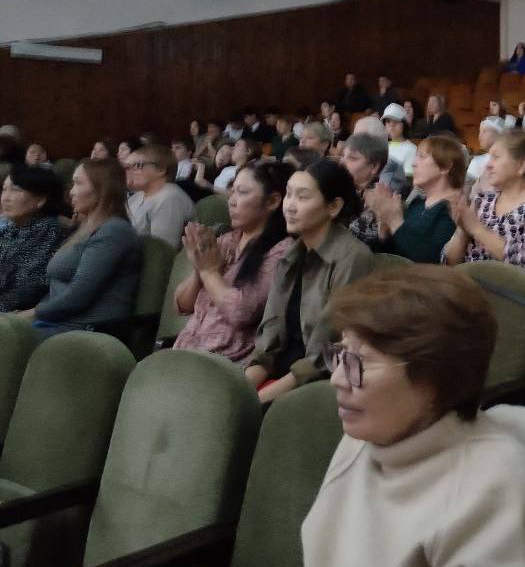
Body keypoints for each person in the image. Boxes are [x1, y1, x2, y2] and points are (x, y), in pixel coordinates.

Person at [277, 267, 525, 567]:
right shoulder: (364, 440)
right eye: (340, 354)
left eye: (359, 363)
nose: (337, 379)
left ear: (434, 380)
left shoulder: (497, 487)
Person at [245, 160, 375, 403]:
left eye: (302, 197)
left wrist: (256, 402)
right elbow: (268, 346)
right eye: (289, 195)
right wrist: (240, 391)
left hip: (321, 386)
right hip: (281, 377)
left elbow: (327, 355)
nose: (290, 207)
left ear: (334, 206)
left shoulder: (353, 258)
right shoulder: (290, 254)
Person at [172, 161, 293, 362]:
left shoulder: (282, 251)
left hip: (224, 364)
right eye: (232, 191)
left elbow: (241, 312)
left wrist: (210, 272)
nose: (231, 201)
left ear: (272, 201)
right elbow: (182, 306)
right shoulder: (226, 240)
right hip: (186, 353)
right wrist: (198, 269)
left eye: (243, 192)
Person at [24, 160, 141, 339]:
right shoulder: (86, 229)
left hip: (85, 332)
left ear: (102, 189)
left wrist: (28, 314)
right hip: (58, 324)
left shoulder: (114, 231)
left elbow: (77, 297)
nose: (71, 191)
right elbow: (56, 290)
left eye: (78, 183)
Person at [443, 131, 525, 271]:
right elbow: (448, 262)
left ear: (521, 166)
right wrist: (463, 230)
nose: (488, 165)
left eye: (496, 157)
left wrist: (475, 228)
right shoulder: (482, 200)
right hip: (468, 283)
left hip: (505, 290)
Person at [367, 135, 465, 264]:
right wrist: (384, 230)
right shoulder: (417, 204)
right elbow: (393, 254)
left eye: (422, 157)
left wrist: (394, 221)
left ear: (445, 166)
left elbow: (432, 260)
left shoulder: (454, 210)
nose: (413, 164)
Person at [0, 166, 69, 313]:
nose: (5, 197)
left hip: (17, 318)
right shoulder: (11, 230)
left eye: (15, 190)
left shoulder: (49, 230)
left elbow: (29, 289)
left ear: (40, 200)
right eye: (4, 190)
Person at [125, 144, 196, 248]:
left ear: (161, 169)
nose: (129, 172)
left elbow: (162, 253)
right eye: (127, 167)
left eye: (137, 166)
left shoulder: (169, 197)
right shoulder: (138, 195)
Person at [340, 133, 394, 247]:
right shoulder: (338, 189)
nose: (342, 163)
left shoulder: (380, 200)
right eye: (342, 156)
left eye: (352, 158)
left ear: (374, 167)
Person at [378, 103, 418, 178]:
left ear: (404, 124)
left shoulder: (411, 149)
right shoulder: (382, 147)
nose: (392, 125)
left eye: (396, 121)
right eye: (388, 121)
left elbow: (408, 179)